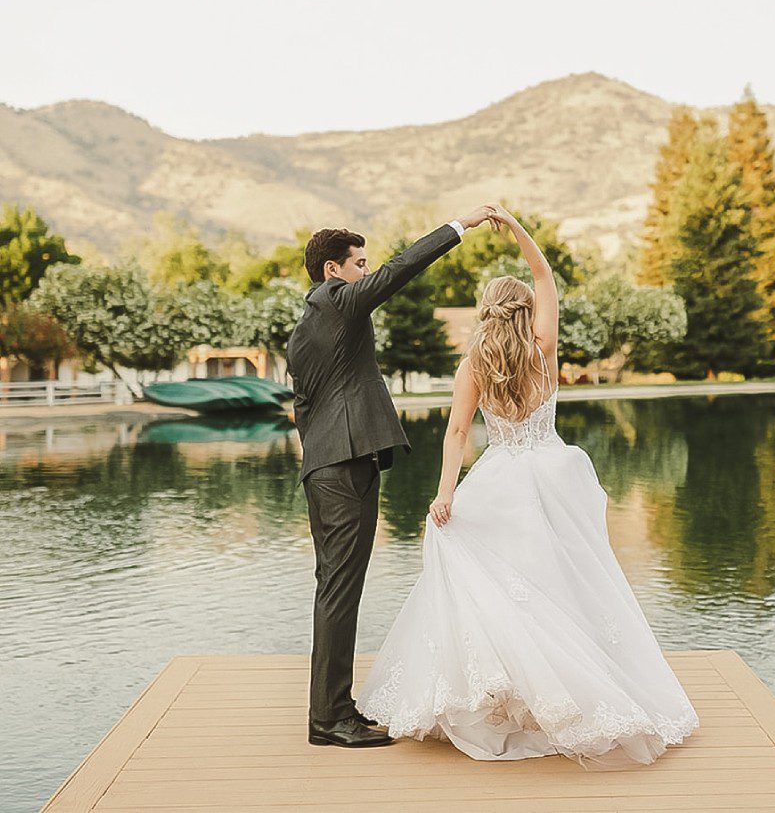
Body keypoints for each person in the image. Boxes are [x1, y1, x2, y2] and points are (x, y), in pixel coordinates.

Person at [356, 204, 700, 767]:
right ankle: (559, 693)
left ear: (485, 312)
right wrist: (513, 225)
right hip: (555, 473)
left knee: (499, 582)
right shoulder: (542, 349)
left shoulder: (474, 365)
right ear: (524, 311)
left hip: (504, 477)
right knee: (565, 582)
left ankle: (512, 694)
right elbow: (544, 275)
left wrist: (445, 493)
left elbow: (459, 432)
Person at [286, 205, 499, 749]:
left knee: (338, 588)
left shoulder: (309, 327)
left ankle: (332, 709)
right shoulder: (335, 302)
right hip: (340, 467)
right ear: (334, 270)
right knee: (338, 589)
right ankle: (330, 720)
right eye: (358, 264)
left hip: (331, 463)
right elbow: (400, 269)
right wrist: (461, 225)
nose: (366, 271)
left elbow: (306, 407)